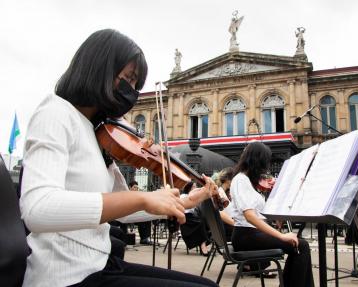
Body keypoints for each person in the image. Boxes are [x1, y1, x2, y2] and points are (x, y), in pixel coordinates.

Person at [20, 29, 218, 287]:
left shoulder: (99, 132)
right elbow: (37, 209)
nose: (132, 92)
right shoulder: (56, 113)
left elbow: (124, 213)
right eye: (128, 79)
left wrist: (185, 200)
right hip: (66, 277)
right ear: (99, 68)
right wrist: (142, 196)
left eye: (136, 85)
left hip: (101, 265)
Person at [230, 142, 314, 286]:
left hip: (251, 233)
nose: (266, 166)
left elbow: (258, 212)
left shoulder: (248, 181)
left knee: (299, 245)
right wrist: (281, 235)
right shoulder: (241, 180)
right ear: (257, 160)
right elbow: (249, 216)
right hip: (246, 236)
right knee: (301, 246)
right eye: (265, 162)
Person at [179, 182, 211, 256]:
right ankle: (203, 247)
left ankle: (203, 245)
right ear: (189, 188)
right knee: (201, 224)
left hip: (192, 217)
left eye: (195, 187)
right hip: (186, 219)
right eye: (193, 187)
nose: (195, 188)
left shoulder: (194, 196)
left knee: (207, 223)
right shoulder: (184, 196)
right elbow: (185, 209)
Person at [128, 180, 152, 245]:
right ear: (130, 187)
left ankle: (145, 238)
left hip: (136, 214)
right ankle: (143, 238)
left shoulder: (137, 196)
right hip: (128, 215)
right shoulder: (127, 195)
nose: (136, 189)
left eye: (137, 188)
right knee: (142, 220)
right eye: (134, 187)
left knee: (147, 218)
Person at [214, 167, 235, 241]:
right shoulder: (220, 193)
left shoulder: (225, 193)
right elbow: (220, 213)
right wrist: (236, 224)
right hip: (227, 227)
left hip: (228, 225)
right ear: (228, 180)